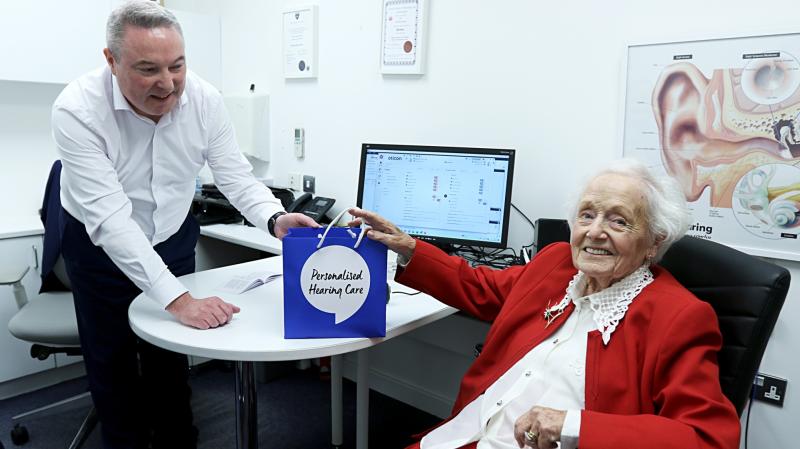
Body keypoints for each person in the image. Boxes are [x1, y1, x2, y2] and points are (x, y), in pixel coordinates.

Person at [51, 2, 317, 448]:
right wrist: (179, 299)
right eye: (148, 69)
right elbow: (112, 221)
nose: (168, 83)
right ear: (111, 60)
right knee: (113, 366)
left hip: (171, 234)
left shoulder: (204, 100)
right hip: (98, 245)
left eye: (177, 65)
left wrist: (273, 217)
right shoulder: (77, 110)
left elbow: (234, 175)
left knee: (170, 361)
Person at [348, 158, 740, 449]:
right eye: (587, 215)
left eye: (618, 221)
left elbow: (707, 437)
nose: (595, 232)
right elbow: (481, 287)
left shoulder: (678, 316)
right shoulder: (556, 263)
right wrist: (408, 248)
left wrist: (574, 427)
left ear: (654, 241)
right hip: (466, 436)